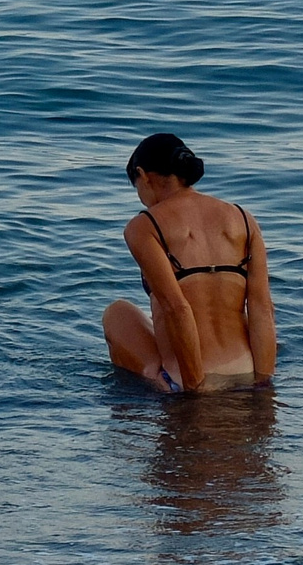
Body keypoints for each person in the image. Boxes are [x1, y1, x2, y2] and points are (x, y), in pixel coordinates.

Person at [103, 133, 275, 393]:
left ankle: (156, 382)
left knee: (117, 314)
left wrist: (195, 390)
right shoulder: (244, 219)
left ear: (143, 175)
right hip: (247, 371)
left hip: (189, 379)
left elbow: (178, 308)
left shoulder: (144, 226)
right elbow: (262, 308)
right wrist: (264, 384)